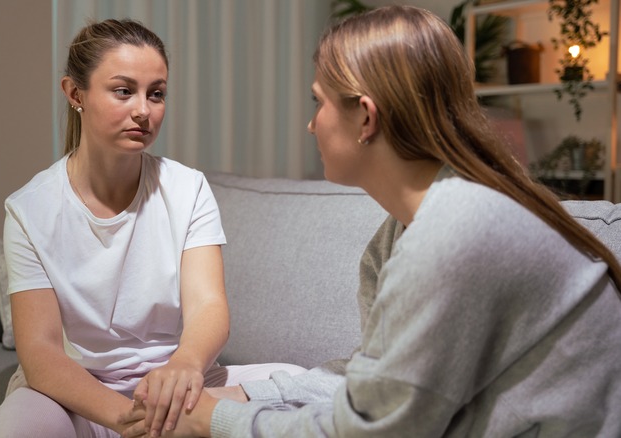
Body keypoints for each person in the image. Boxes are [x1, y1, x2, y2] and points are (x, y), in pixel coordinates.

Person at [119, 5, 621, 437]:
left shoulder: (457, 234)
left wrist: (215, 421)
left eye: (319, 101)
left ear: (365, 116)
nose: (311, 123)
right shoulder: (403, 232)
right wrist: (246, 395)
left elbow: (372, 430)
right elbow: (372, 378)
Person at [0, 19, 304, 438]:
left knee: (305, 386)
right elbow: (41, 351)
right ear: (75, 94)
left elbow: (209, 306)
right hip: (79, 396)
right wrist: (130, 421)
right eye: (124, 91)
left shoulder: (188, 189)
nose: (143, 110)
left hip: (179, 387)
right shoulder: (29, 209)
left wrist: (185, 366)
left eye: (156, 94)